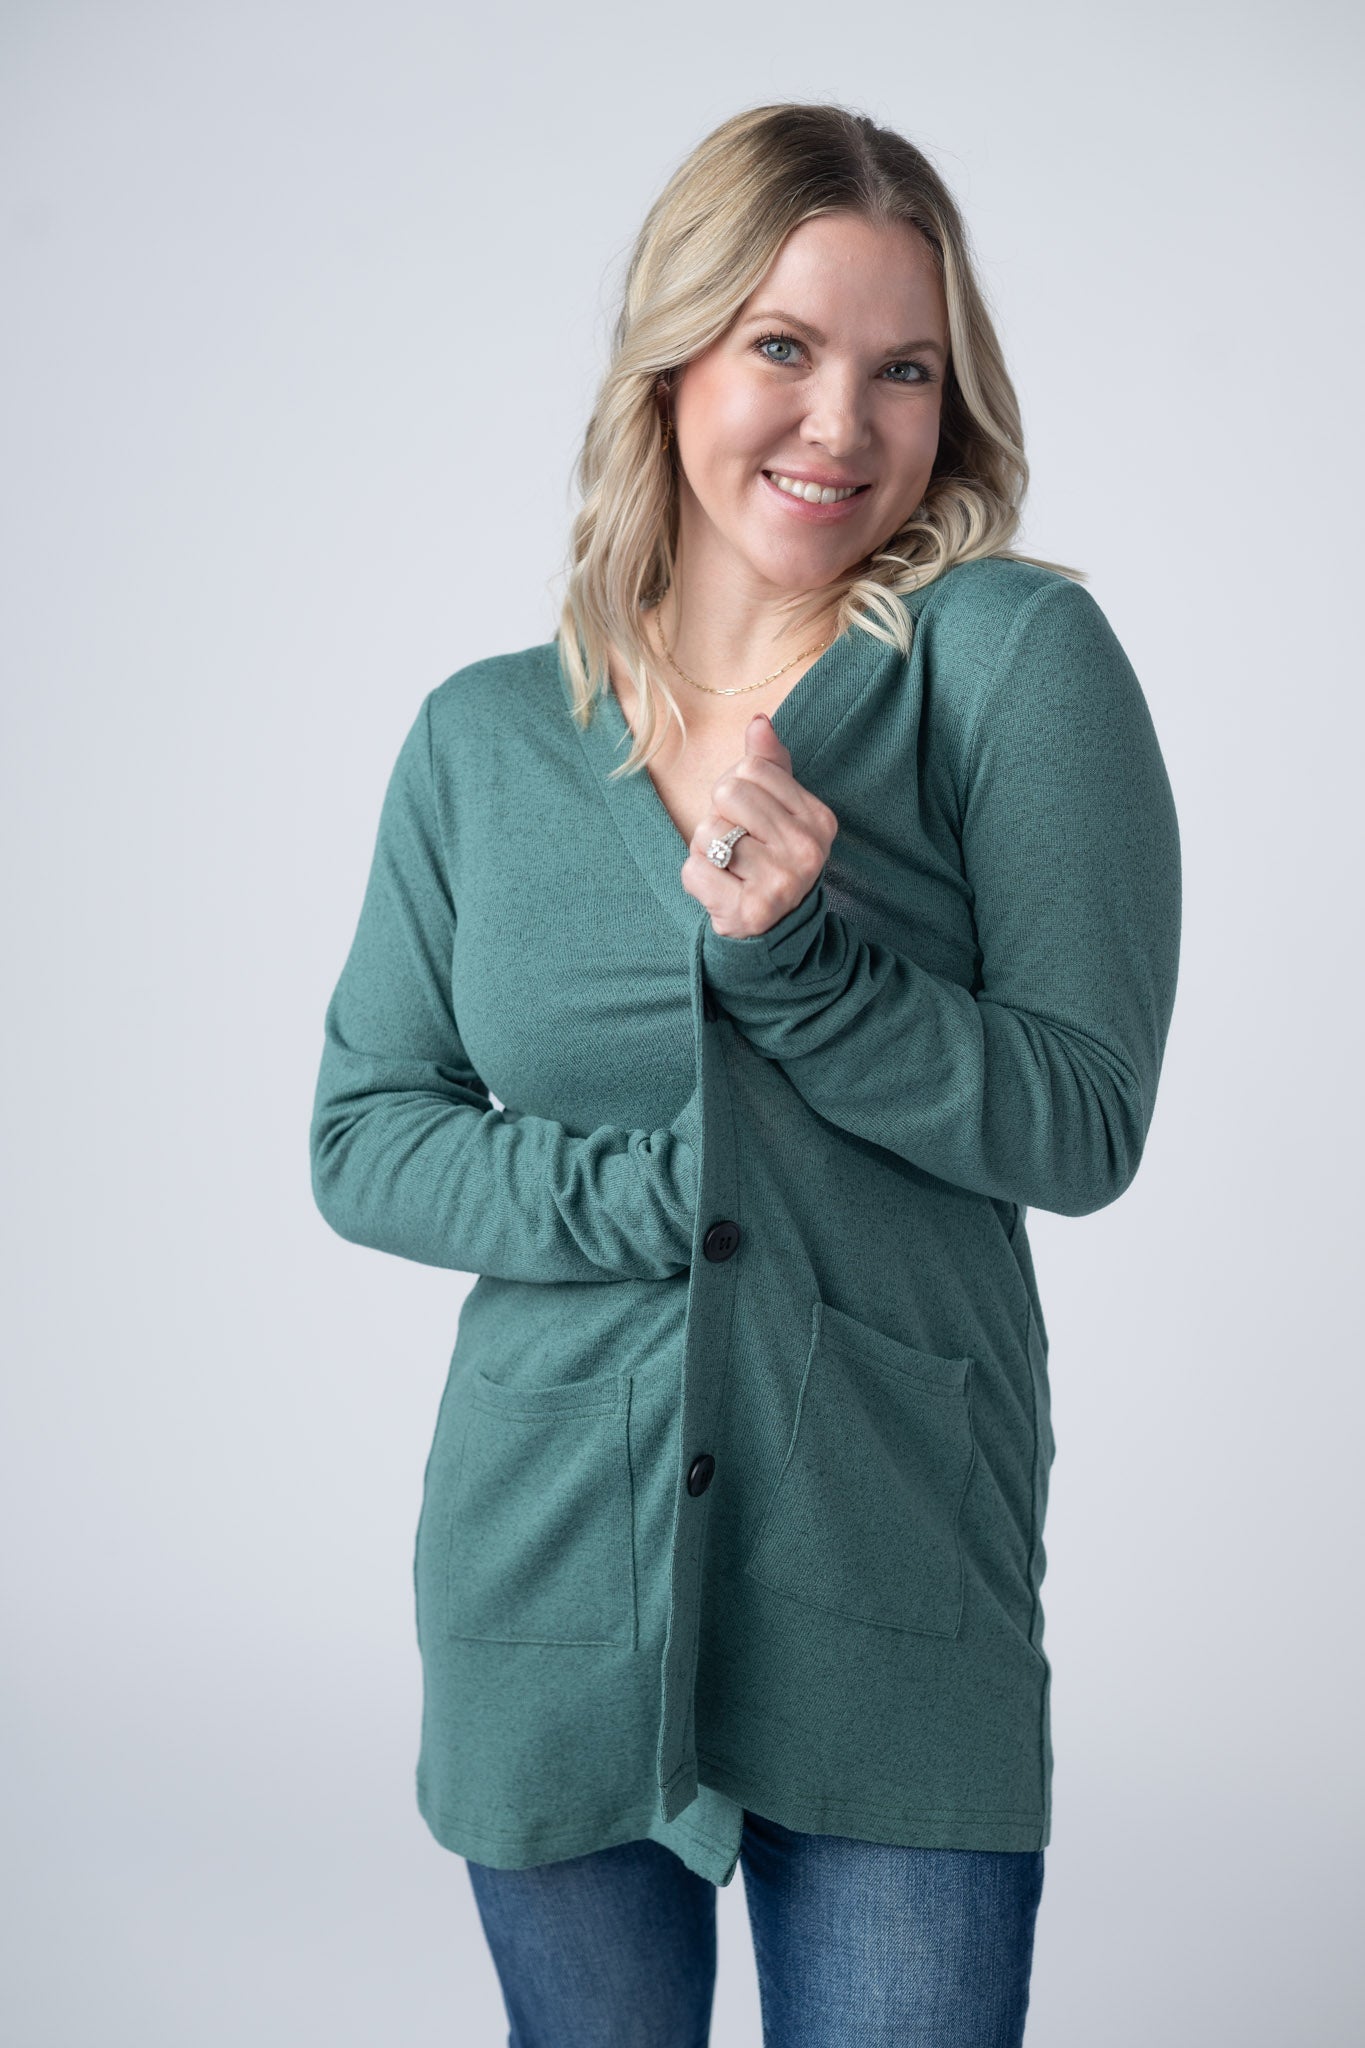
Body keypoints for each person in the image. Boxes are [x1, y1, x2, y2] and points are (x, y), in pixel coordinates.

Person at [309, 99, 1182, 2047]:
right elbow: (365, 1135)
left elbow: (1079, 1120)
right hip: (548, 1572)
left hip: (891, 1568)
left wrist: (804, 969)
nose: (839, 425)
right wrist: (654, 1198)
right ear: (672, 357)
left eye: (902, 371)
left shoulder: (1006, 662)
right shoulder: (480, 740)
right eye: (781, 346)